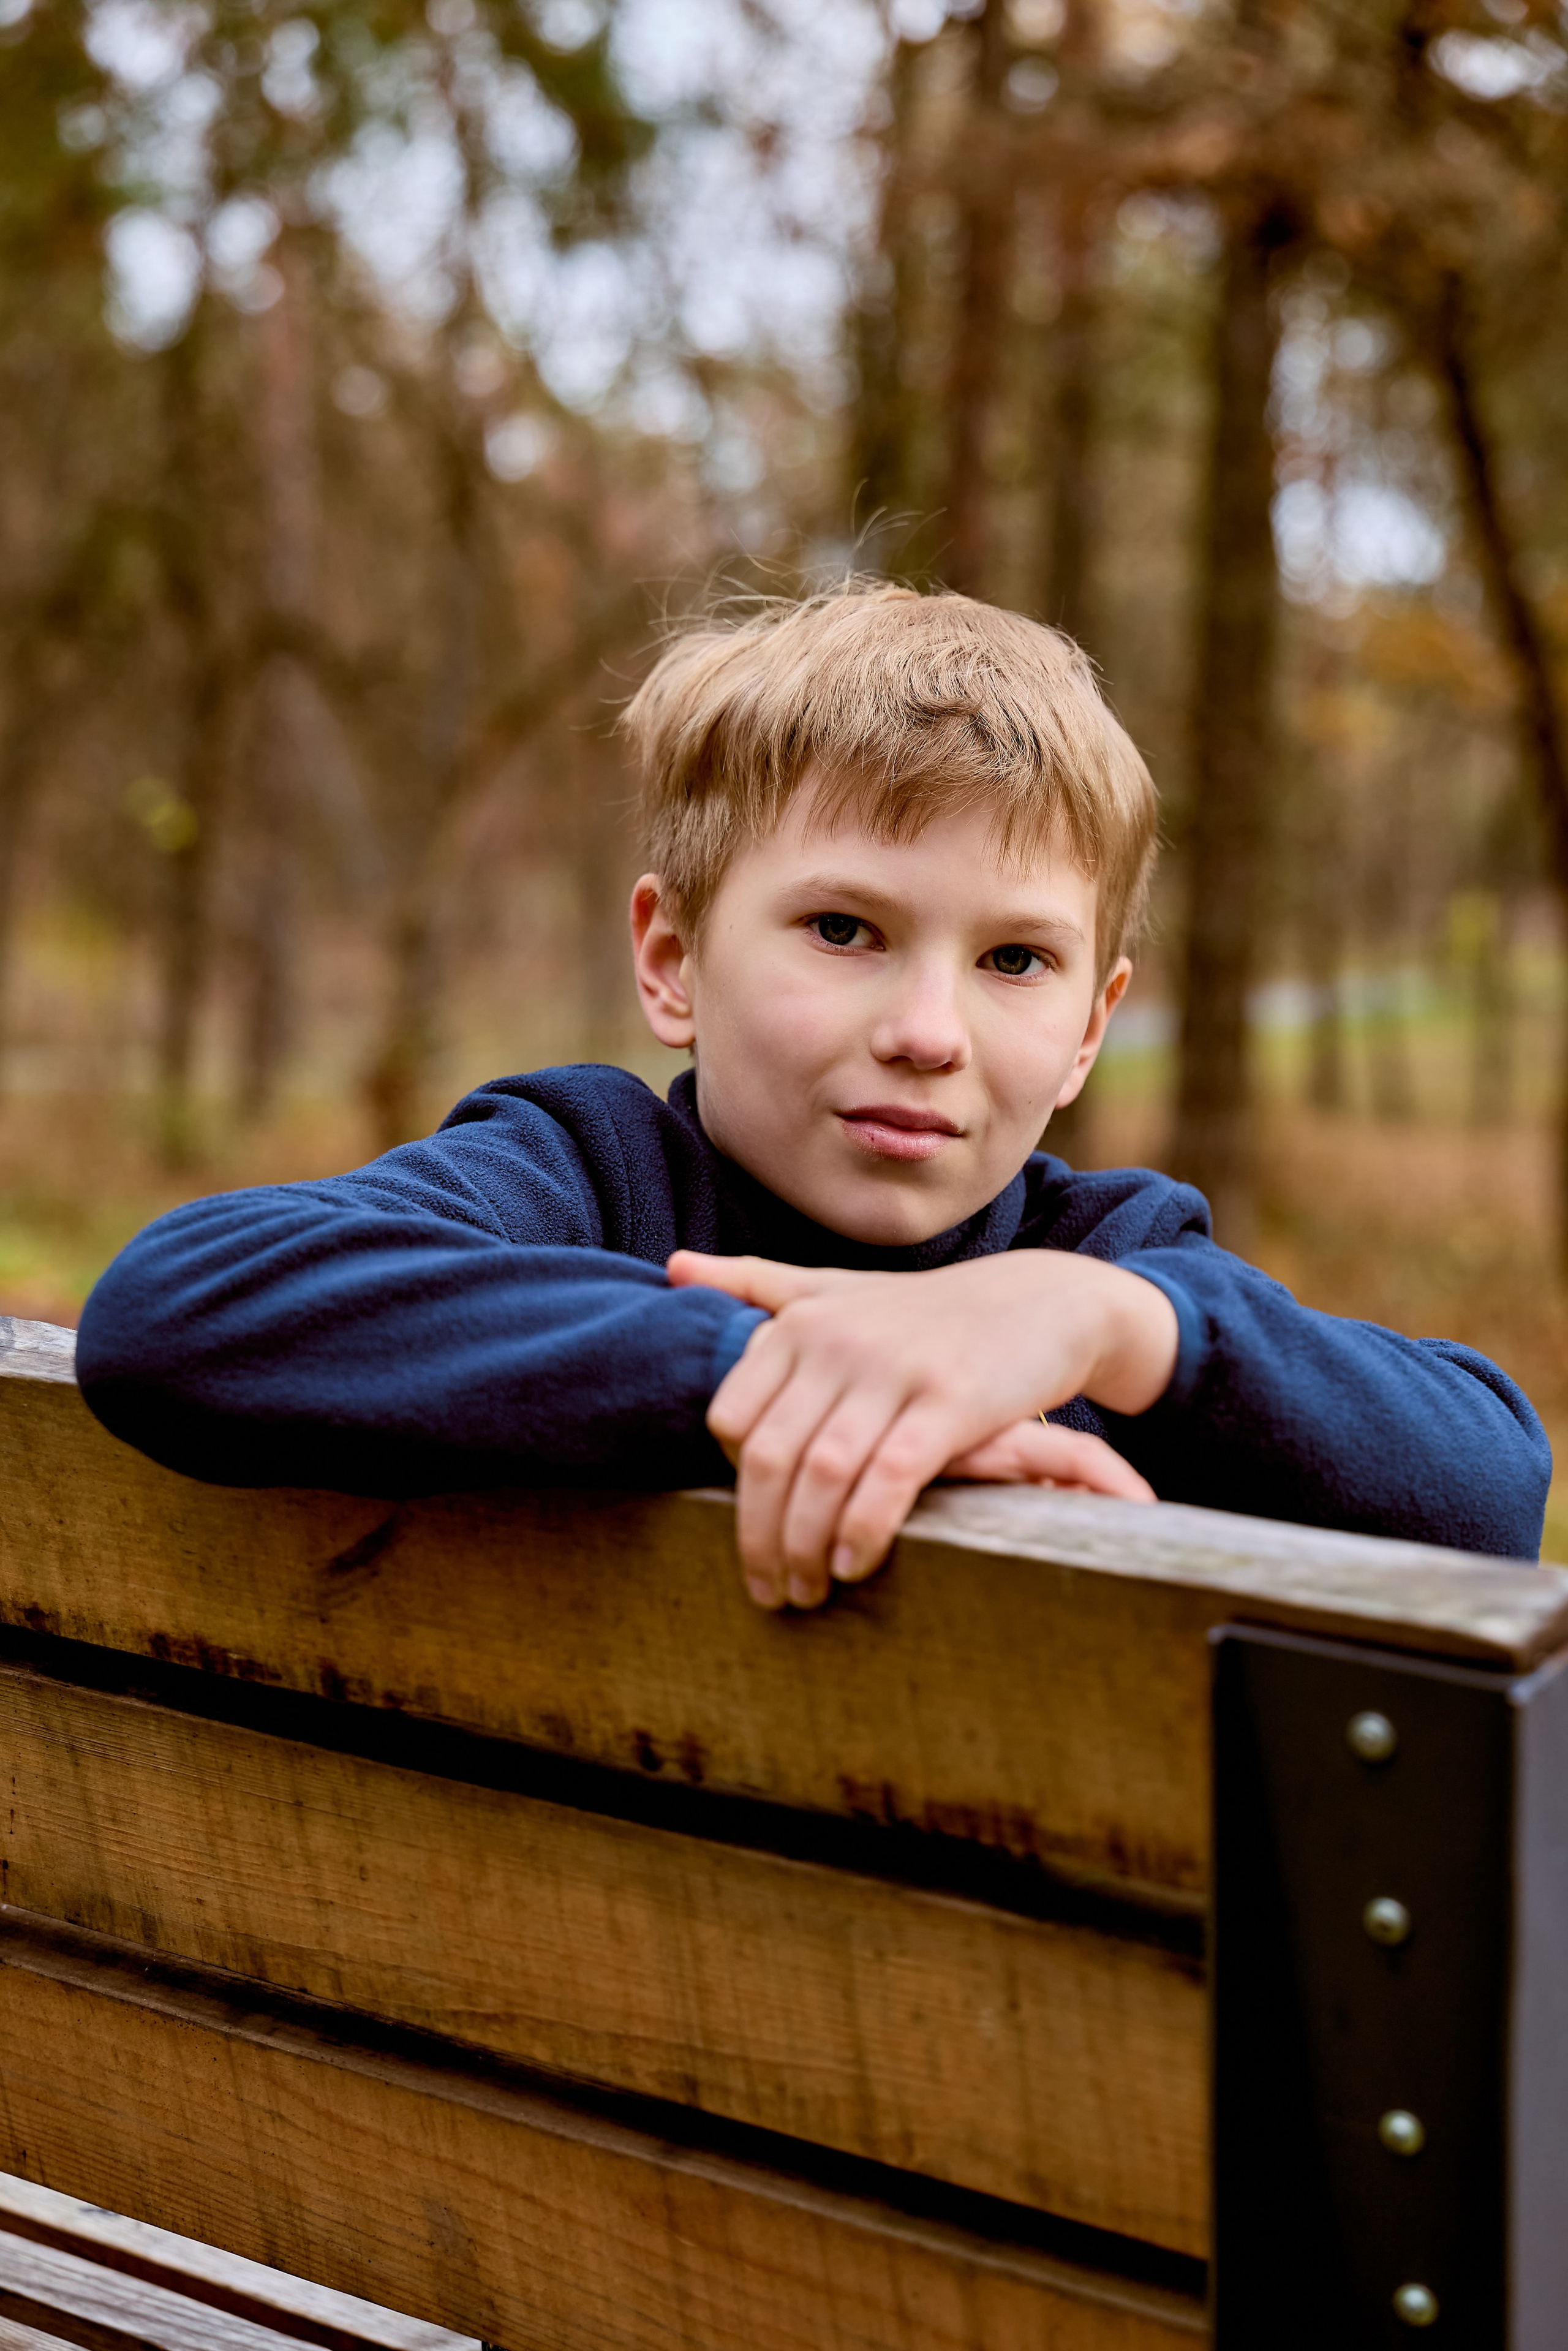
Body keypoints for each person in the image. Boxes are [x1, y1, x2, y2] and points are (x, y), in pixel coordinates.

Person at [76, 584, 1550, 1607]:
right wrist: (758, 1377)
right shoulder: (586, 1178)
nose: (926, 1029)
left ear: (1094, 1025)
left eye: (1015, 958)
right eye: (844, 929)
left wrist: (1108, 1322)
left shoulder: (1109, 1273)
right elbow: (179, 1303)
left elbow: (1487, 1493)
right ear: (671, 956)